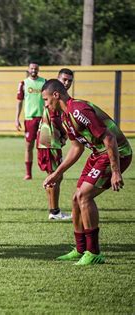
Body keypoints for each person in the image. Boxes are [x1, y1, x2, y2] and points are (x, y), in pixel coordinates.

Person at [42, 79, 132, 265]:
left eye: (46, 99)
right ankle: (81, 249)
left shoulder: (78, 110)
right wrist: (56, 173)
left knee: (84, 196)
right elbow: (76, 148)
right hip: (98, 154)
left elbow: (109, 138)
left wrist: (116, 171)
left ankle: (94, 252)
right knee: (76, 198)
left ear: (56, 95)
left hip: (116, 153)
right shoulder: (65, 117)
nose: (45, 104)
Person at [36, 68, 74, 220]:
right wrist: (67, 133)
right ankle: (54, 212)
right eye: (64, 79)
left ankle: (54, 210)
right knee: (55, 176)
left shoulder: (57, 97)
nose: (66, 83)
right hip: (49, 142)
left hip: (50, 142)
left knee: (56, 176)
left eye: (69, 80)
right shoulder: (54, 99)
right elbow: (56, 119)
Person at [15, 62, 46, 180]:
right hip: (30, 119)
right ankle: (28, 173)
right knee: (29, 146)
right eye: (32, 68)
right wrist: (16, 119)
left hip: (43, 119)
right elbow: (19, 102)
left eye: (36, 68)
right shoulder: (23, 83)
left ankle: (49, 170)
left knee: (45, 146)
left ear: (38, 69)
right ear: (28, 69)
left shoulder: (44, 82)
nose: (34, 70)